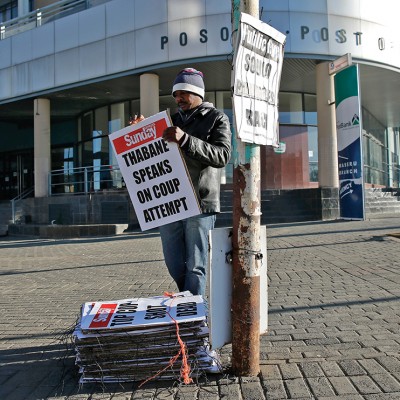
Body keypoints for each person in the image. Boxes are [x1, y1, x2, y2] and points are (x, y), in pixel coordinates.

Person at [131, 68, 231, 299]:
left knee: (196, 264)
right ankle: (189, 302)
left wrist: (185, 139)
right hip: (171, 201)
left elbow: (222, 155)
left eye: (184, 93)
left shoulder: (216, 118)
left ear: (198, 93)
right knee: (174, 260)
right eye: (176, 94)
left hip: (200, 201)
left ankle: (193, 315)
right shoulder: (171, 120)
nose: (178, 99)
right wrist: (141, 131)